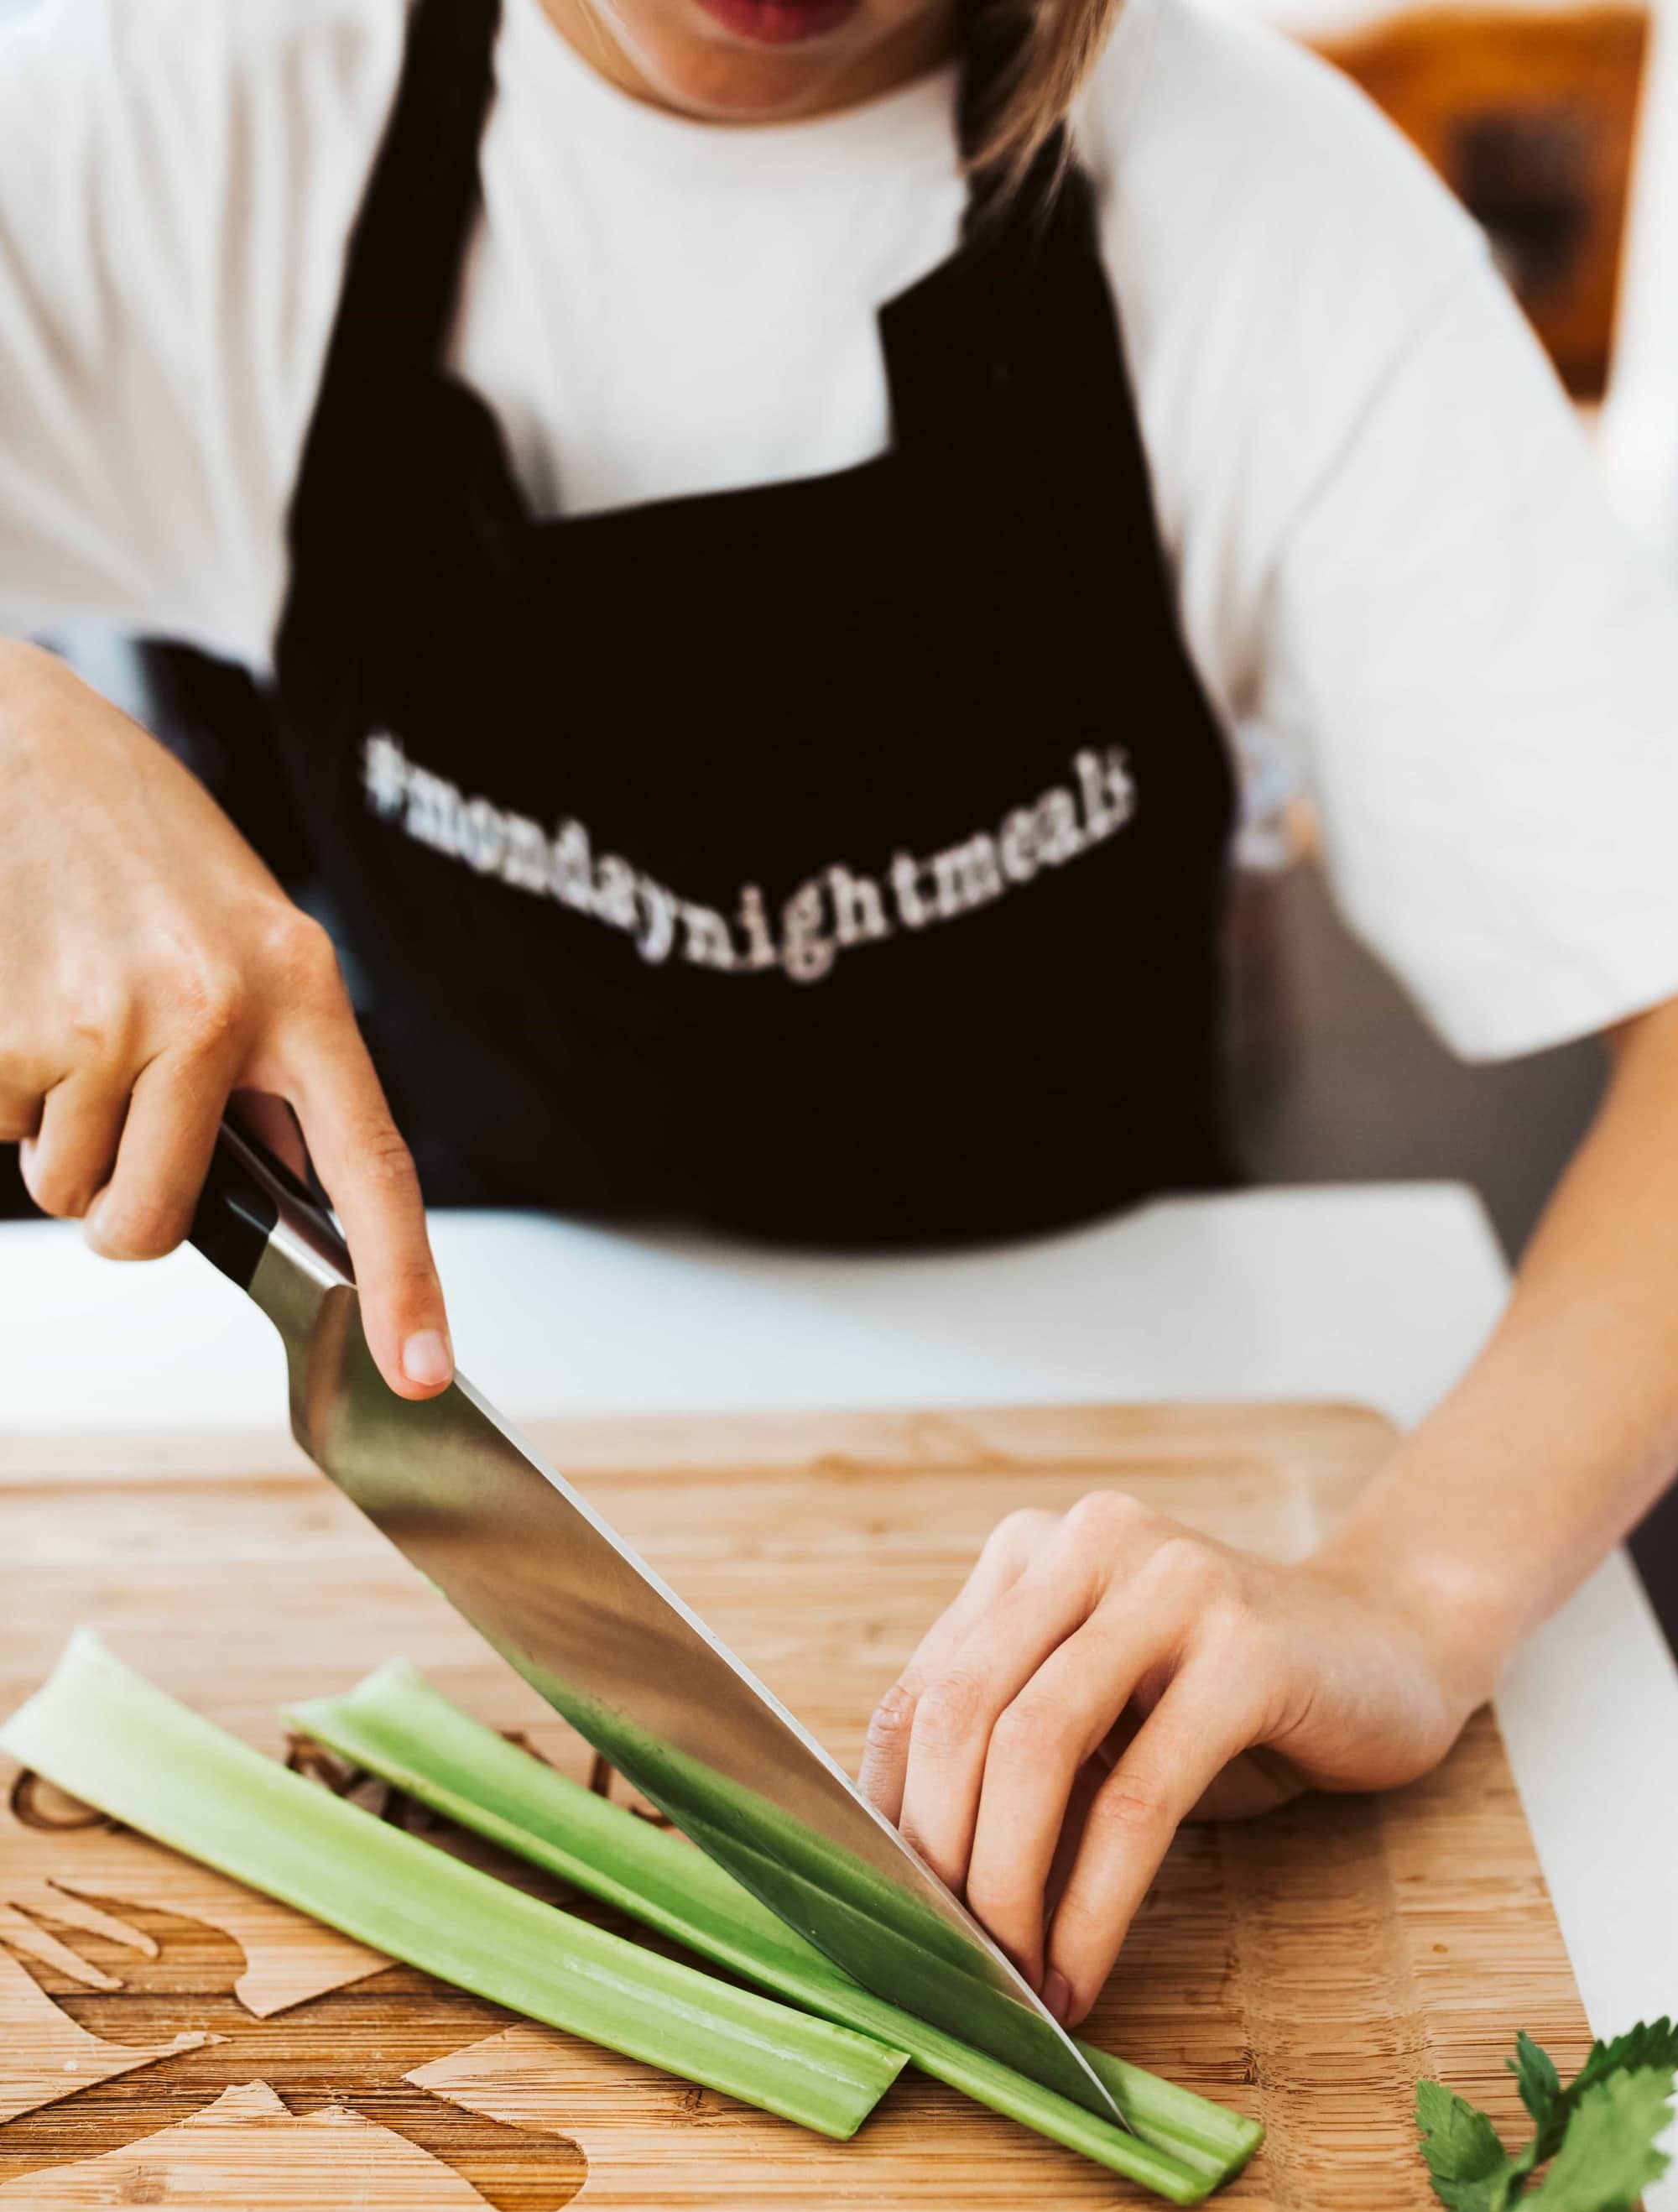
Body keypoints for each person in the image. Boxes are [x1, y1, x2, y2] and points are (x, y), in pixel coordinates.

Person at [3, 0, 1677, 2032]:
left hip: (1112, 1351)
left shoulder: (1279, 213)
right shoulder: (177, 119)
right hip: (491, 1315)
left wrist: (1410, 1593)